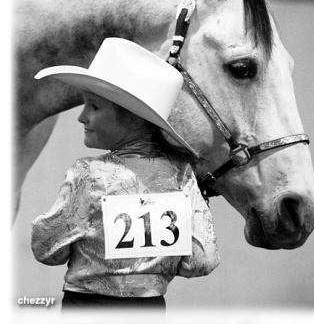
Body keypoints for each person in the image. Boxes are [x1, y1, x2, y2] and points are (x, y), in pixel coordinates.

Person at [31, 38, 220, 311]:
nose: (81, 117)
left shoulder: (88, 175)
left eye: (93, 107)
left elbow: (46, 249)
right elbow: (201, 261)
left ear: (132, 117)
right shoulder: (182, 175)